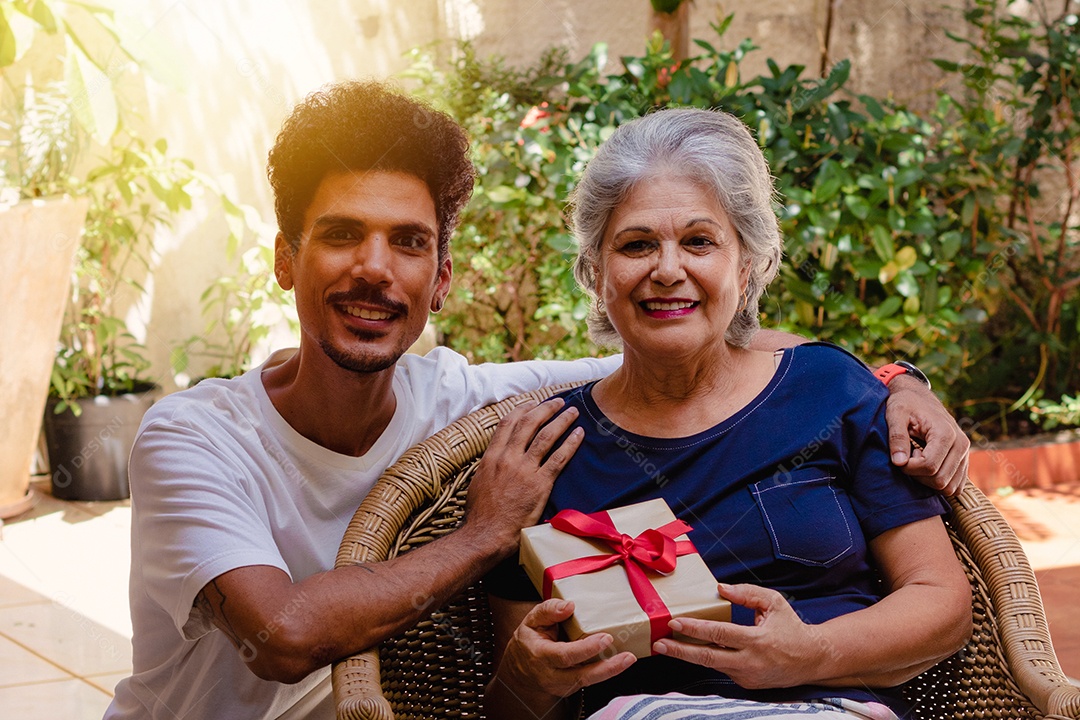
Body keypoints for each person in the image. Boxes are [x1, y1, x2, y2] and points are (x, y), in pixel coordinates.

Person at [104, 82, 966, 720]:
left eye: (408, 243)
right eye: (340, 236)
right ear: (286, 261)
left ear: (440, 278)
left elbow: (686, 336)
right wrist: (486, 535)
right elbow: (282, 635)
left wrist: (893, 381)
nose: (375, 268)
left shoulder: (481, 402)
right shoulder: (193, 436)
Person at [484, 108, 973, 720]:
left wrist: (812, 652)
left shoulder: (828, 391)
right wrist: (529, 680)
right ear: (596, 273)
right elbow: (510, 708)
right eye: (636, 245)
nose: (667, 271)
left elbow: (942, 603)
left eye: (699, 241)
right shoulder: (548, 450)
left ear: (746, 266)